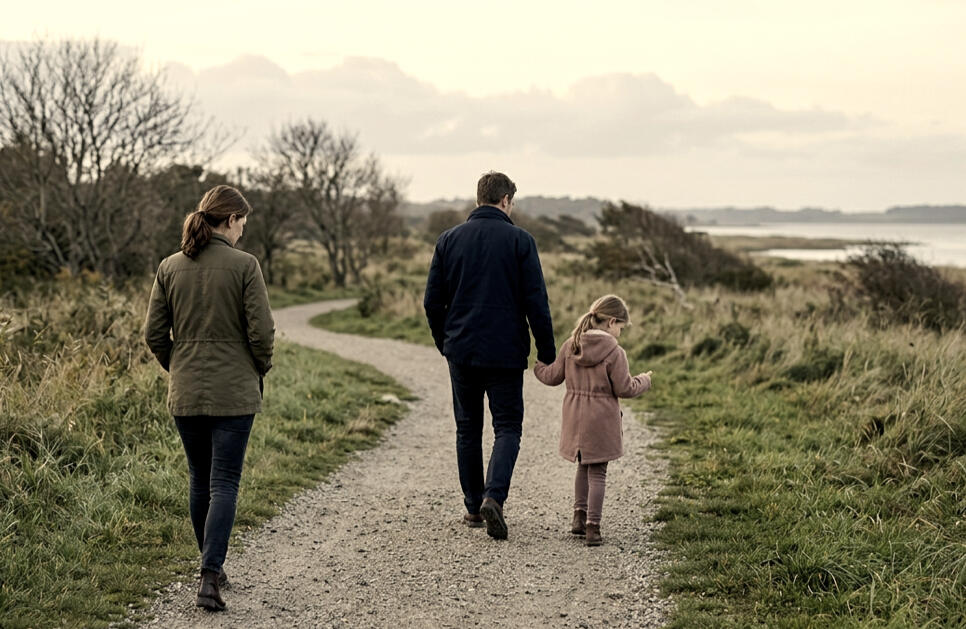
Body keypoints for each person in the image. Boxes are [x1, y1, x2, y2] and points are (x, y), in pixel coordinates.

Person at [144, 185, 275, 611]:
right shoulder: (245, 266)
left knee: (201, 479)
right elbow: (262, 333)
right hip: (234, 393)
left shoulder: (169, 267)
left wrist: (177, 366)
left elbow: (153, 334)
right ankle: (209, 575)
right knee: (224, 482)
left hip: (186, 392)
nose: (243, 232)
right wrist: (258, 367)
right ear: (231, 220)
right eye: (243, 223)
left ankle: (211, 568)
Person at [424, 171, 556, 540]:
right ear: (506, 200)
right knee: (508, 427)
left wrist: (444, 342)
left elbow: (432, 302)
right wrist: (546, 352)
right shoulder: (520, 241)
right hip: (506, 353)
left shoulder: (448, 240)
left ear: (479, 198)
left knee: (467, 428)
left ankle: (472, 507)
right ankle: (493, 497)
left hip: (461, 351)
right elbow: (537, 303)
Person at [533, 295, 651, 546]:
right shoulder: (615, 352)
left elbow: (552, 376)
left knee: (582, 466)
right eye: (620, 326)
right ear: (610, 322)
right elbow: (625, 388)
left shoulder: (571, 345)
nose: (620, 332)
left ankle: (579, 517)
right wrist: (645, 380)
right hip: (601, 420)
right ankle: (593, 528)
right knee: (598, 473)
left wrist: (537, 366)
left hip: (575, 418)